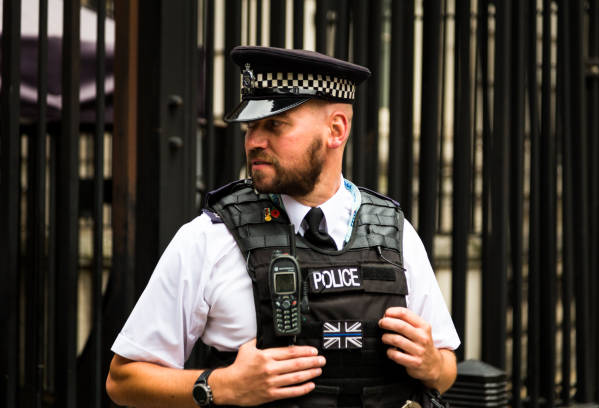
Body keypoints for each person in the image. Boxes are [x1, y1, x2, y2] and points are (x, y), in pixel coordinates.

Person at [106, 46, 460, 408]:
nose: (253, 142)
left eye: (274, 125)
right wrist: (221, 385)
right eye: (250, 127)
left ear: (336, 129)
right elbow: (123, 379)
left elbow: (446, 368)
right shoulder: (209, 237)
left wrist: (432, 364)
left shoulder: (394, 233)